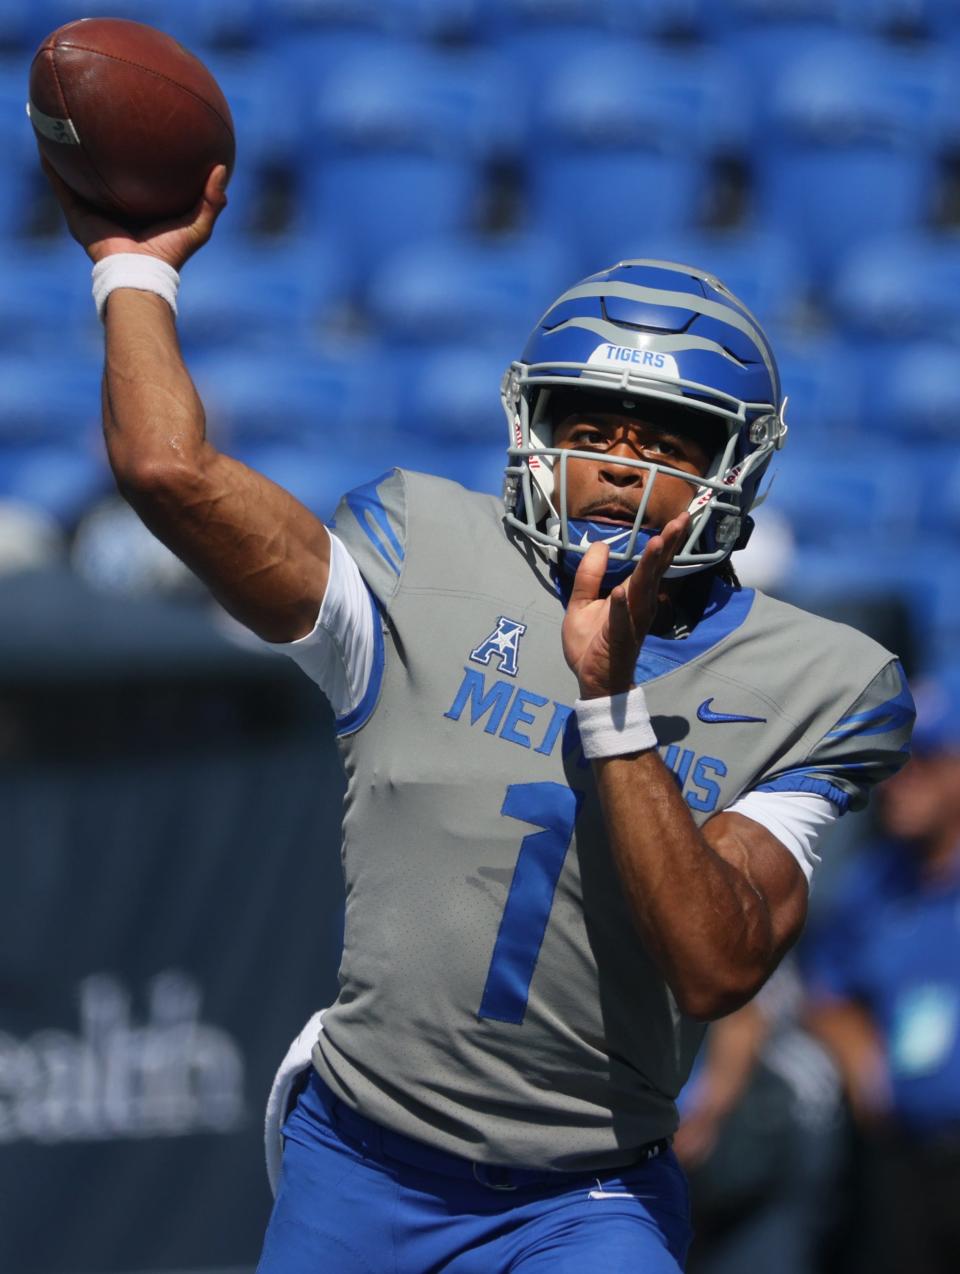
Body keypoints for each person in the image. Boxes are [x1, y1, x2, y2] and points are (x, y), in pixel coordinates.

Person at [45, 162, 913, 1273]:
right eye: (595, 425)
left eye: (667, 440)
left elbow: (714, 962)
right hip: (362, 1160)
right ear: (533, 425)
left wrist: (612, 707)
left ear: (736, 467)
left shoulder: (818, 680)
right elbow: (169, 470)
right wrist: (133, 266)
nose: (619, 468)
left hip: (586, 1195)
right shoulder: (419, 556)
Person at [803, 675, 960, 1274]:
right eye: (893, 761)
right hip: (907, 1164)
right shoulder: (874, 882)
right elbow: (828, 988)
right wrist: (863, 1064)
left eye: (923, 761)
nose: (900, 780)